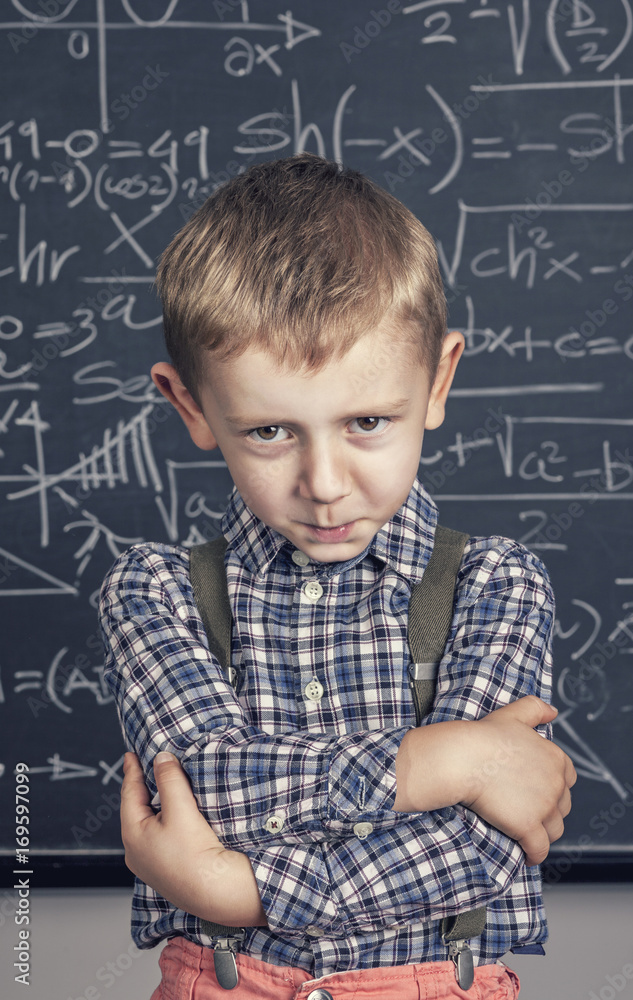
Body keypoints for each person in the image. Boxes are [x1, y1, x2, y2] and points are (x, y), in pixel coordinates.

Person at [100, 153, 576, 1000]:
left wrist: (235, 890)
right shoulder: (153, 593)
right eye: (270, 433)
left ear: (437, 382)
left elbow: (484, 845)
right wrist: (448, 759)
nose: (323, 483)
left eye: (366, 422)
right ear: (191, 408)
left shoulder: (496, 584)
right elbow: (208, 791)